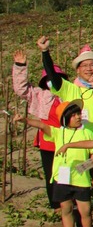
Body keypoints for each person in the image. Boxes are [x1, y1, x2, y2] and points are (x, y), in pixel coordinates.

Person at [14, 100, 93, 227]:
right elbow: (41, 125)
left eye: (78, 114)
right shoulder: (58, 132)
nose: (78, 117)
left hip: (81, 179)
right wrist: (24, 120)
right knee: (66, 208)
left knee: (85, 210)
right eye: (73, 115)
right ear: (65, 118)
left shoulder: (87, 132)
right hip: (62, 178)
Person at [12, 48, 67, 208]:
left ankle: (70, 203)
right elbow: (22, 89)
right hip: (49, 142)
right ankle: (56, 206)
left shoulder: (68, 94)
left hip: (68, 140)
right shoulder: (41, 96)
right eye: (49, 79)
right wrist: (20, 67)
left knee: (68, 174)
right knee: (51, 175)